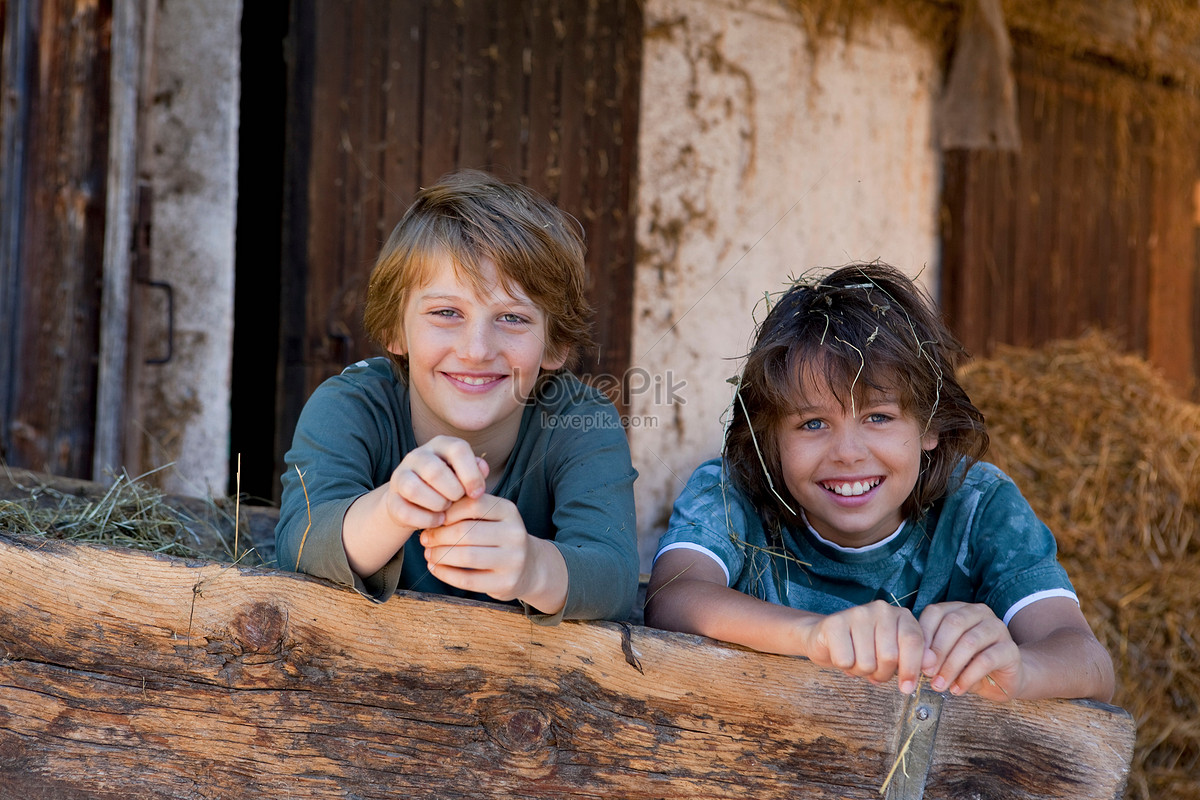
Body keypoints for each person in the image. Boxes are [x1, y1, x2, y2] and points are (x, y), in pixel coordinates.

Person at [645, 262, 1114, 702]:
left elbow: (1091, 663)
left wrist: (1021, 668)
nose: (848, 453)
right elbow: (672, 596)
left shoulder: (979, 507)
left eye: (878, 416)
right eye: (812, 423)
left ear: (930, 425)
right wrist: (817, 634)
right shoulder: (733, 493)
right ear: (771, 436)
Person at [275, 169, 639, 624]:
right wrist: (392, 509)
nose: (476, 350)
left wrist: (532, 567)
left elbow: (618, 577)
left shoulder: (582, 420)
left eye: (512, 318)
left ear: (555, 343)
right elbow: (298, 542)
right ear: (393, 328)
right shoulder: (351, 406)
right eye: (446, 312)